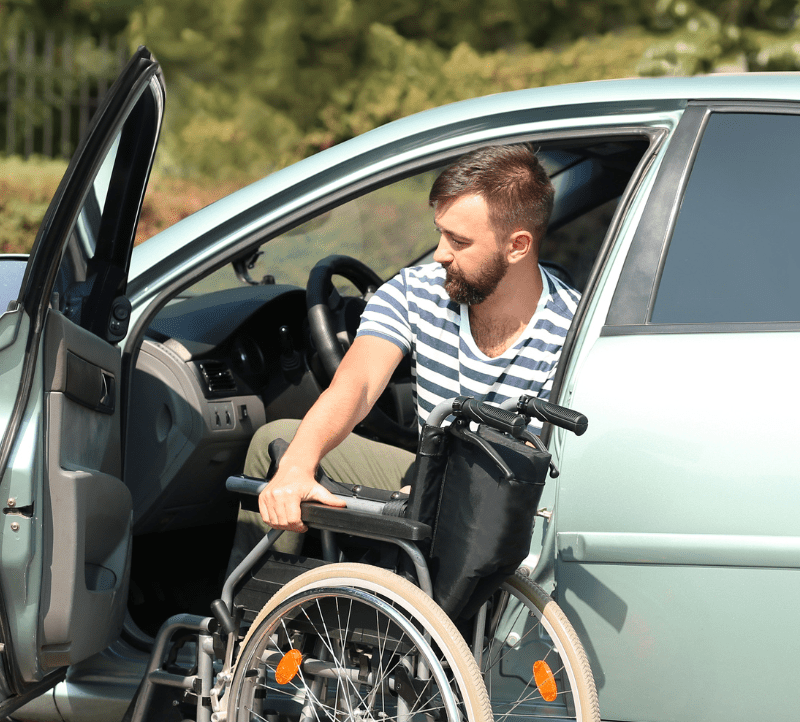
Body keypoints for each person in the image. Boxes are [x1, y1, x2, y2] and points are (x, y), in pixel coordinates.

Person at [233, 143, 578, 558]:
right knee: (280, 444)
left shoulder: (572, 330)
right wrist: (296, 468)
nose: (440, 254)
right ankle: (260, 617)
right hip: (428, 476)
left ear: (518, 246)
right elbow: (356, 385)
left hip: (512, 507)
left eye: (459, 240)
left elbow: (549, 467)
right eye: (439, 232)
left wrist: (449, 490)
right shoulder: (415, 292)